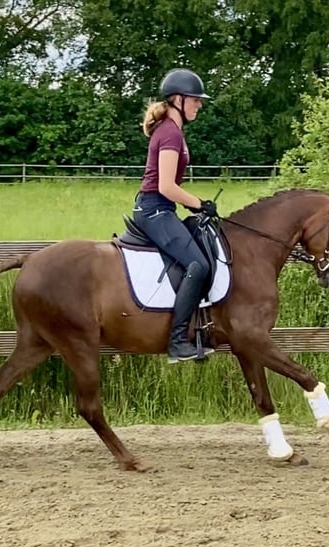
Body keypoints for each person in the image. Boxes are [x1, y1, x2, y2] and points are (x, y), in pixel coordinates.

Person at [132, 68, 220, 364]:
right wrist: (198, 203)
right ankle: (178, 341)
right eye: (196, 99)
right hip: (155, 209)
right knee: (197, 264)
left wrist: (195, 206)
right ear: (179, 99)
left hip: (161, 207)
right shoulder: (169, 133)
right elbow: (166, 186)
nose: (200, 105)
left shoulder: (172, 131)